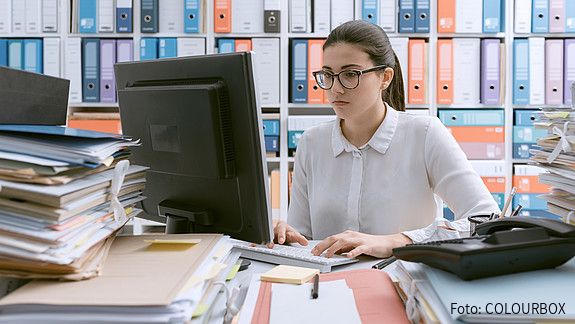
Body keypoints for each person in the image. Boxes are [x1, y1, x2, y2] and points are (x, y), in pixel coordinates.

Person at [271, 20, 500, 258]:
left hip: (403, 281)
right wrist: (285, 235)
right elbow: (303, 240)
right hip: (328, 286)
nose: (335, 89)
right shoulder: (311, 142)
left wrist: (399, 241)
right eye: (328, 75)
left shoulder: (425, 133)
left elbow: (486, 219)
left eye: (350, 74)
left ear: (385, 77)